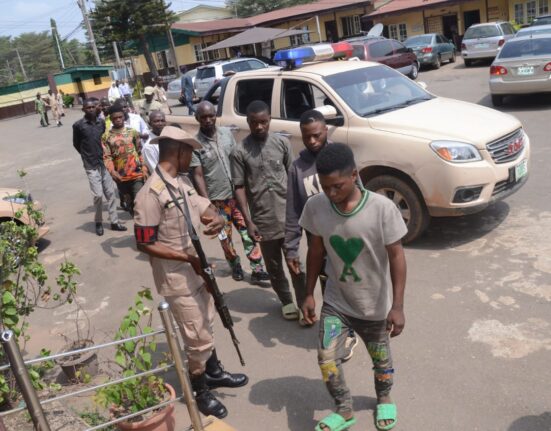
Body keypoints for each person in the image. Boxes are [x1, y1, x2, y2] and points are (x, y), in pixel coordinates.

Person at [133, 126, 248, 419]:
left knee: (206, 320)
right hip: (176, 276)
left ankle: (213, 371)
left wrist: (219, 219)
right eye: (190, 153)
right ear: (180, 152)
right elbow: (144, 243)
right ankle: (200, 391)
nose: (192, 159)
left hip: (195, 270)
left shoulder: (178, 182)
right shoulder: (151, 193)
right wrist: (186, 257)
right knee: (196, 336)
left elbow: (201, 206)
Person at [299, 143, 407, 431]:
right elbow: (315, 251)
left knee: (380, 359)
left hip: (373, 305)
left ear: (354, 175)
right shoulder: (315, 206)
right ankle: (344, 409)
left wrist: (397, 306)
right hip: (337, 301)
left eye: (337, 186)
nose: (331, 194)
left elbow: (397, 256)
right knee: (326, 357)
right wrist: (308, 293)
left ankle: (384, 396)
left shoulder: (382, 209)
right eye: (325, 187)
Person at [284, 110, 359, 359]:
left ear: (326, 130)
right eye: (307, 138)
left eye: (317, 135)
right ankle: (338, 333)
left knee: (350, 288)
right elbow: (294, 210)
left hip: (348, 241)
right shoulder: (298, 167)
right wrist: (291, 247)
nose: (313, 142)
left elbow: (360, 194)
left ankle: (352, 331)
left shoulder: (340, 157)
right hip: (319, 245)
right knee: (329, 292)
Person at [231, 100, 304, 320]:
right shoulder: (239, 151)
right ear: (248, 122)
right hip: (262, 219)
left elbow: (293, 177)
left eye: (264, 122)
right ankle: (287, 301)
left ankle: (303, 303)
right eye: (255, 123)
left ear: (270, 120)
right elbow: (239, 187)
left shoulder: (282, 144)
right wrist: (248, 221)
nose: (260, 127)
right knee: (273, 266)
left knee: (296, 262)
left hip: (288, 216)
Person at [191, 101, 270, 283]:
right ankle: (235, 265)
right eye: (204, 117)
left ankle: (257, 268)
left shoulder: (227, 134)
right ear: (197, 119)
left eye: (211, 116)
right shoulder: (195, 144)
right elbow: (198, 176)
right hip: (216, 200)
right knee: (225, 237)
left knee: (247, 231)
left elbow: (238, 161)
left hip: (237, 195)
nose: (208, 120)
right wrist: (206, 204)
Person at [72, 98, 127, 236]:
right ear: (83, 109)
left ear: (96, 108)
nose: (91, 109)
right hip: (91, 164)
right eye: (87, 107)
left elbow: (104, 141)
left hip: (104, 163)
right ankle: (98, 222)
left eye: (92, 107)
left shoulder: (101, 123)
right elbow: (76, 144)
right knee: (97, 195)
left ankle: (114, 222)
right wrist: (86, 156)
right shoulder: (78, 125)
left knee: (110, 193)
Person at [102, 104, 147, 216]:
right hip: (121, 176)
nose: (118, 120)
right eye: (115, 118)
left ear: (124, 117)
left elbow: (139, 151)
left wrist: (144, 166)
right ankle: (138, 225)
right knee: (130, 203)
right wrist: (112, 172)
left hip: (136, 173)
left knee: (139, 201)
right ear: (111, 119)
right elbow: (107, 157)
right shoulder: (106, 136)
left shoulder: (132, 132)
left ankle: (144, 225)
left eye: (120, 117)